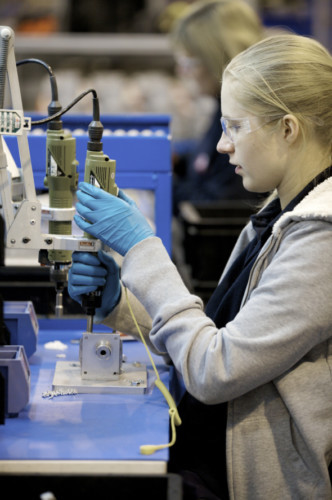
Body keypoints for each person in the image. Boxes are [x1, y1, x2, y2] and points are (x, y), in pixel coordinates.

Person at [68, 34, 332, 499]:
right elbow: (213, 337)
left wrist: (140, 245)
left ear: (288, 129)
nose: (224, 145)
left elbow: (217, 371)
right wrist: (120, 303)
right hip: (209, 465)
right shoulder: (278, 215)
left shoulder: (322, 239)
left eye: (234, 126)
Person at [170, 0, 265, 214]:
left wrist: (164, 186)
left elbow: (219, 205)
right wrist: (178, 162)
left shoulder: (248, 116)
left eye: (189, 61)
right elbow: (208, 165)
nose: (182, 71)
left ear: (214, 57)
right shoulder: (222, 104)